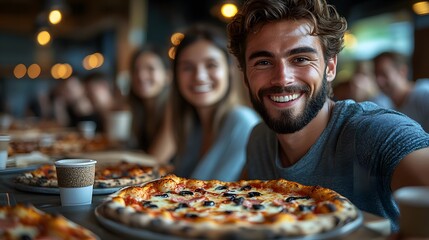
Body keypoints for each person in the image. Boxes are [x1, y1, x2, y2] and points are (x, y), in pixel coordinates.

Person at [227, 0, 429, 232]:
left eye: (300, 59)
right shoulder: (259, 139)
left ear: (330, 67)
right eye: (263, 62)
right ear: (245, 78)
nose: (282, 79)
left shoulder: (374, 132)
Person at [171, 23, 260, 181]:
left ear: (229, 71)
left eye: (211, 65)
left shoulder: (242, 121)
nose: (199, 76)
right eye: (187, 67)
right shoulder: (192, 126)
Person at [128, 46, 175, 164]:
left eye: (150, 69)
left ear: (168, 76)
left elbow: (155, 160)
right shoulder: (138, 109)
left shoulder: (174, 108)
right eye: (136, 69)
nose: (141, 76)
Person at [373, 51, 429, 132]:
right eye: (376, 74)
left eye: (383, 74)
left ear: (403, 71)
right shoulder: (384, 104)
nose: (378, 80)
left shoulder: (424, 94)